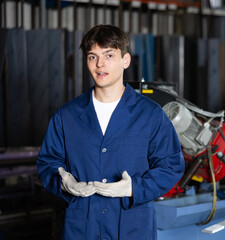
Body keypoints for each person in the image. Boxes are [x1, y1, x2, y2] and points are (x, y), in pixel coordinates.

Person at [37, 25, 184, 240]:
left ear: (125, 60)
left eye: (109, 55)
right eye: (92, 57)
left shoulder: (150, 115)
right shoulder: (66, 116)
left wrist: (134, 188)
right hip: (81, 227)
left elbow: (171, 165)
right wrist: (63, 182)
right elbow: (48, 161)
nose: (100, 65)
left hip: (132, 227)